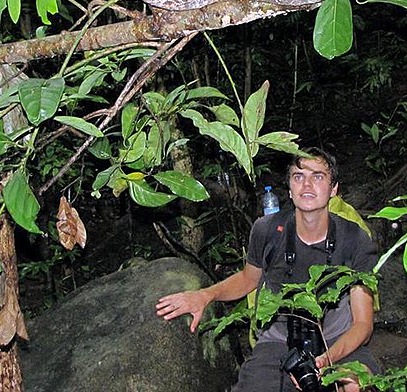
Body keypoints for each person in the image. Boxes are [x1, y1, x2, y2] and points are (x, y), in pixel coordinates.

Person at [156, 148, 379, 391]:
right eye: (298, 176)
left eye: (318, 177)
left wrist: (327, 360)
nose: (307, 184)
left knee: (356, 382)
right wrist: (204, 295)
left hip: (336, 340)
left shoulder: (354, 238)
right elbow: (247, 279)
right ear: (290, 190)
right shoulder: (267, 230)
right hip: (278, 342)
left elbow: (363, 324)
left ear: (333, 189)